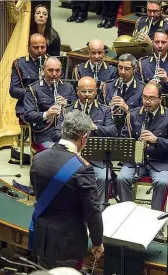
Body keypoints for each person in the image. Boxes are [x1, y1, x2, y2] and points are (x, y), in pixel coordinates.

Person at [31, 110, 103, 269]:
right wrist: (97, 242)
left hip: (41, 235)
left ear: (63, 131)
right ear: (84, 138)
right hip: (68, 242)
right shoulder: (82, 168)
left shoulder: (38, 158)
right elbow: (92, 211)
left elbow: (37, 192)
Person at [52, 76, 118, 209]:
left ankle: (98, 211)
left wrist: (95, 127)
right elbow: (55, 134)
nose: (87, 95)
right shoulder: (67, 110)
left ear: (96, 91)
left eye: (90, 91)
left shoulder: (104, 111)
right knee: (63, 176)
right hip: (71, 157)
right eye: (83, 91)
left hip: (96, 157)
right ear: (77, 91)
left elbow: (113, 131)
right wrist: (72, 133)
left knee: (103, 177)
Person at [117, 82, 168, 211]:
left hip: (161, 162)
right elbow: (123, 140)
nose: (147, 101)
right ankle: (126, 214)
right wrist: (136, 144)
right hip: (135, 162)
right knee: (121, 178)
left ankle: (156, 220)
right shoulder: (133, 115)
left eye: (151, 98)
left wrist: (156, 140)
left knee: (162, 183)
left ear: (160, 99)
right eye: (144, 97)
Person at [24, 57, 77, 149]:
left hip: (66, 133)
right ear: (43, 71)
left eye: (57, 71)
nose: (54, 74)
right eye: (50, 70)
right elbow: (28, 115)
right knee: (56, 153)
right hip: (45, 134)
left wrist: (67, 105)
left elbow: (77, 111)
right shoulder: (33, 89)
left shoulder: (69, 87)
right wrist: (46, 114)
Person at [136, 30, 168, 95]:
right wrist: (148, 86)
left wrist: (167, 81)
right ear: (152, 43)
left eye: (163, 42)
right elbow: (136, 89)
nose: (160, 46)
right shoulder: (142, 63)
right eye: (157, 42)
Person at [10, 33, 47, 119]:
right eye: (36, 47)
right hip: (26, 105)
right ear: (29, 47)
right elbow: (13, 90)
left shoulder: (52, 63)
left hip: (48, 105)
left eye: (43, 47)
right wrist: (33, 94)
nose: (40, 50)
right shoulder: (19, 64)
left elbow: (61, 86)